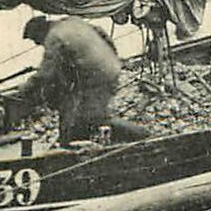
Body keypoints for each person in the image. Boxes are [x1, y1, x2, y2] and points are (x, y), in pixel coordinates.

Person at [16, 15, 150, 144]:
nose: (37, 43)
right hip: (109, 68)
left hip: (96, 78)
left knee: (93, 117)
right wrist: (112, 58)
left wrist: (24, 89)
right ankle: (74, 142)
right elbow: (102, 33)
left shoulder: (54, 37)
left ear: (41, 31)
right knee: (81, 114)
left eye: (35, 39)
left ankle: (143, 135)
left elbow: (46, 73)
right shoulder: (72, 22)